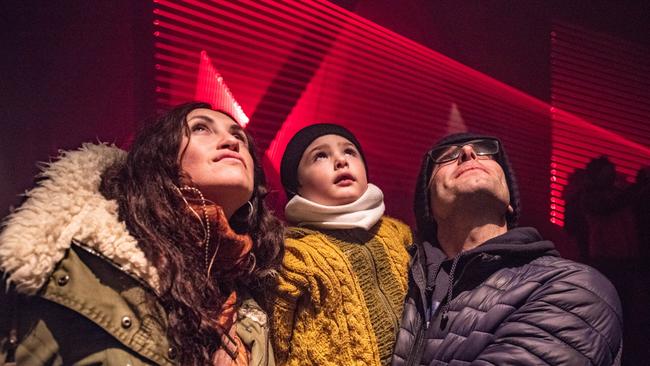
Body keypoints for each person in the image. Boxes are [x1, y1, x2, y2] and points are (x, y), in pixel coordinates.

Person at [0, 102, 284, 365]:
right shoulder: (80, 259)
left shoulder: (259, 304)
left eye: (240, 138)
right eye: (200, 128)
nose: (232, 141)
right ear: (160, 158)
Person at [391, 133, 623, 365]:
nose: (468, 153)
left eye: (485, 153)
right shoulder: (397, 282)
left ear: (509, 200)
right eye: (447, 156)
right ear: (427, 207)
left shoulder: (572, 285)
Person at [268, 124, 412, 365]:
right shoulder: (294, 254)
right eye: (320, 156)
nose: (340, 161)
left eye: (350, 152)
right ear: (297, 183)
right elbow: (276, 343)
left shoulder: (399, 233)